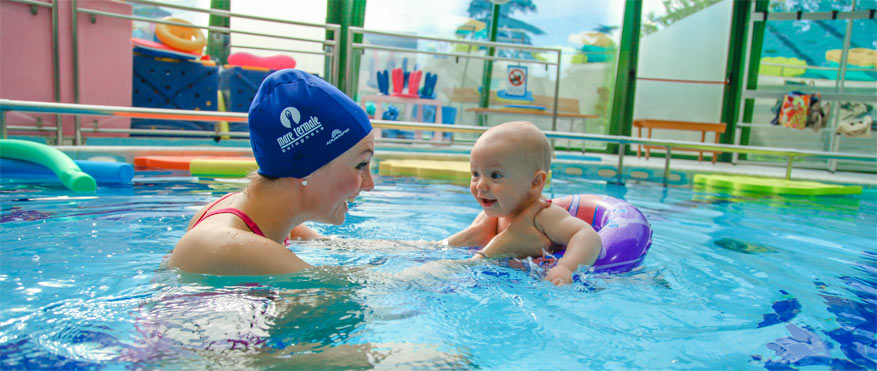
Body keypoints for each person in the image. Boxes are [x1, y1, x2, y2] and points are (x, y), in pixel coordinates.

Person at [168, 69, 375, 275]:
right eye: (360, 165)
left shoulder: (273, 221)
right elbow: (352, 286)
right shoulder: (225, 245)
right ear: (306, 168)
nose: (369, 185)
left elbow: (331, 244)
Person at [444, 121, 602, 285]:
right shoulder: (494, 214)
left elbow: (587, 235)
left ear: (535, 182)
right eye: (475, 173)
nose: (480, 185)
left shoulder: (543, 215)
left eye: (495, 175)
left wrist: (567, 267)